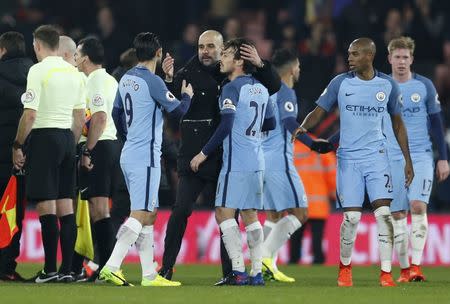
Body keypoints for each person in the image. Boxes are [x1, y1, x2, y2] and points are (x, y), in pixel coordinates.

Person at [159, 30, 281, 283]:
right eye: (201, 46)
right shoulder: (187, 72)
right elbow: (171, 105)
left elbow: (273, 85)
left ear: (224, 50)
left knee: (229, 215)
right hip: (196, 155)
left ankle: (233, 272)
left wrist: (260, 64)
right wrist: (169, 79)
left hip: (223, 157)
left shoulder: (232, 78)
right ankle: (167, 268)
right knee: (182, 210)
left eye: (212, 47)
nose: (205, 51)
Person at [292, 38, 414, 287]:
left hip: (377, 157)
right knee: (352, 219)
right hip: (348, 159)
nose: (349, 58)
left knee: (383, 214)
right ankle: (345, 268)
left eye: (355, 54)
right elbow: (319, 110)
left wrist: (407, 161)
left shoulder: (387, 85)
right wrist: (302, 127)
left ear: (369, 55)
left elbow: (398, 124)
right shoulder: (340, 82)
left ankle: (386, 273)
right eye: (349, 53)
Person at [100, 32, 193, 287]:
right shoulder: (153, 81)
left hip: (129, 153)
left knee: (148, 214)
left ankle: (149, 275)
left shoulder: (127, 78)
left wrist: (128, 135)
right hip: (146, 157)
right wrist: (187, 95)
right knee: (140, 213)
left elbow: (116, 113)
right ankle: (111, 265)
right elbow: (179, 111)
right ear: (158, 52)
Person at [190, 37, 275, 286]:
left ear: (239, 61)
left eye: (226, 55)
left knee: (223, 213)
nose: (222, 60)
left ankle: (238, 270)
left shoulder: (230, 88)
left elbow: (226, 123)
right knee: (250, 215)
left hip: (236, 162)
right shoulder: (261, 88)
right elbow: (269, 123)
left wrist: (202, 154)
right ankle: (257, 272)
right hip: (257, 159)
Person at [12, 25, 85, 283]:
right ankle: (68, 270)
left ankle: (50, 269)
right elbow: (79, 118)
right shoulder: (74, 73)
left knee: (45, 205)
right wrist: (70, 143)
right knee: (66, 204)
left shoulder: (37, 70)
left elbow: (30, 114)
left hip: (44, 137)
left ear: (38, 45)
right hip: (67, 138)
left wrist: (18, 144)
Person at [260, 49, 334, 282]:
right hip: (280, 159)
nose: (299, 70)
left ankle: (265, 266)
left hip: (261, 157)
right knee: (301, 213)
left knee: (273, 215)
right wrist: (311, 143)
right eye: (299, 66)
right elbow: (289, 121)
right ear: (292, 69)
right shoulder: (286, 91)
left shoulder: (267, 92)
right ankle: (262, 256)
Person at [383, 36, 449, 282]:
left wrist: (443, 158)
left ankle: (417, 266)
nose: (401, 62)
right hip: (391, 157)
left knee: (418, 206)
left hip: (420, 155)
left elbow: (436, 122)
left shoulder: (425, 86)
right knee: (398, 214)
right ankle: (403, 270)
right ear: (390, 59)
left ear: (412, 59)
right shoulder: (381, 86)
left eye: (405, 57)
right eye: (397, 57)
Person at [73, 37, 120, 279]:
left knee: (100, 210)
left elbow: (99, 118)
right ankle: (103, 267)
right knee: (97, 209)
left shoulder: (95, 81)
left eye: (77, 54)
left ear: (85, 58)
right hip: (108, 145)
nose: (74, 59)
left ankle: (107, 268)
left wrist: (88, 150)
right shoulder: (110, 79)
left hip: (100, 146)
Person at [0, 31, 33, 282]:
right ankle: (8, 266)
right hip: (26, 153)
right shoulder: (34, 74)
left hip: (3, 150)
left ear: (3, 51)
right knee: (16, 211)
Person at [289, 136, 337, 265]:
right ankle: (318, 260)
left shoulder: (291, 147)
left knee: (295, 236)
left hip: (297, 203)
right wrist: (334, 193)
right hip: (318, 203)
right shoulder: (322, 147)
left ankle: (293, 261)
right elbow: (332, 173)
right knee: (317, 237)